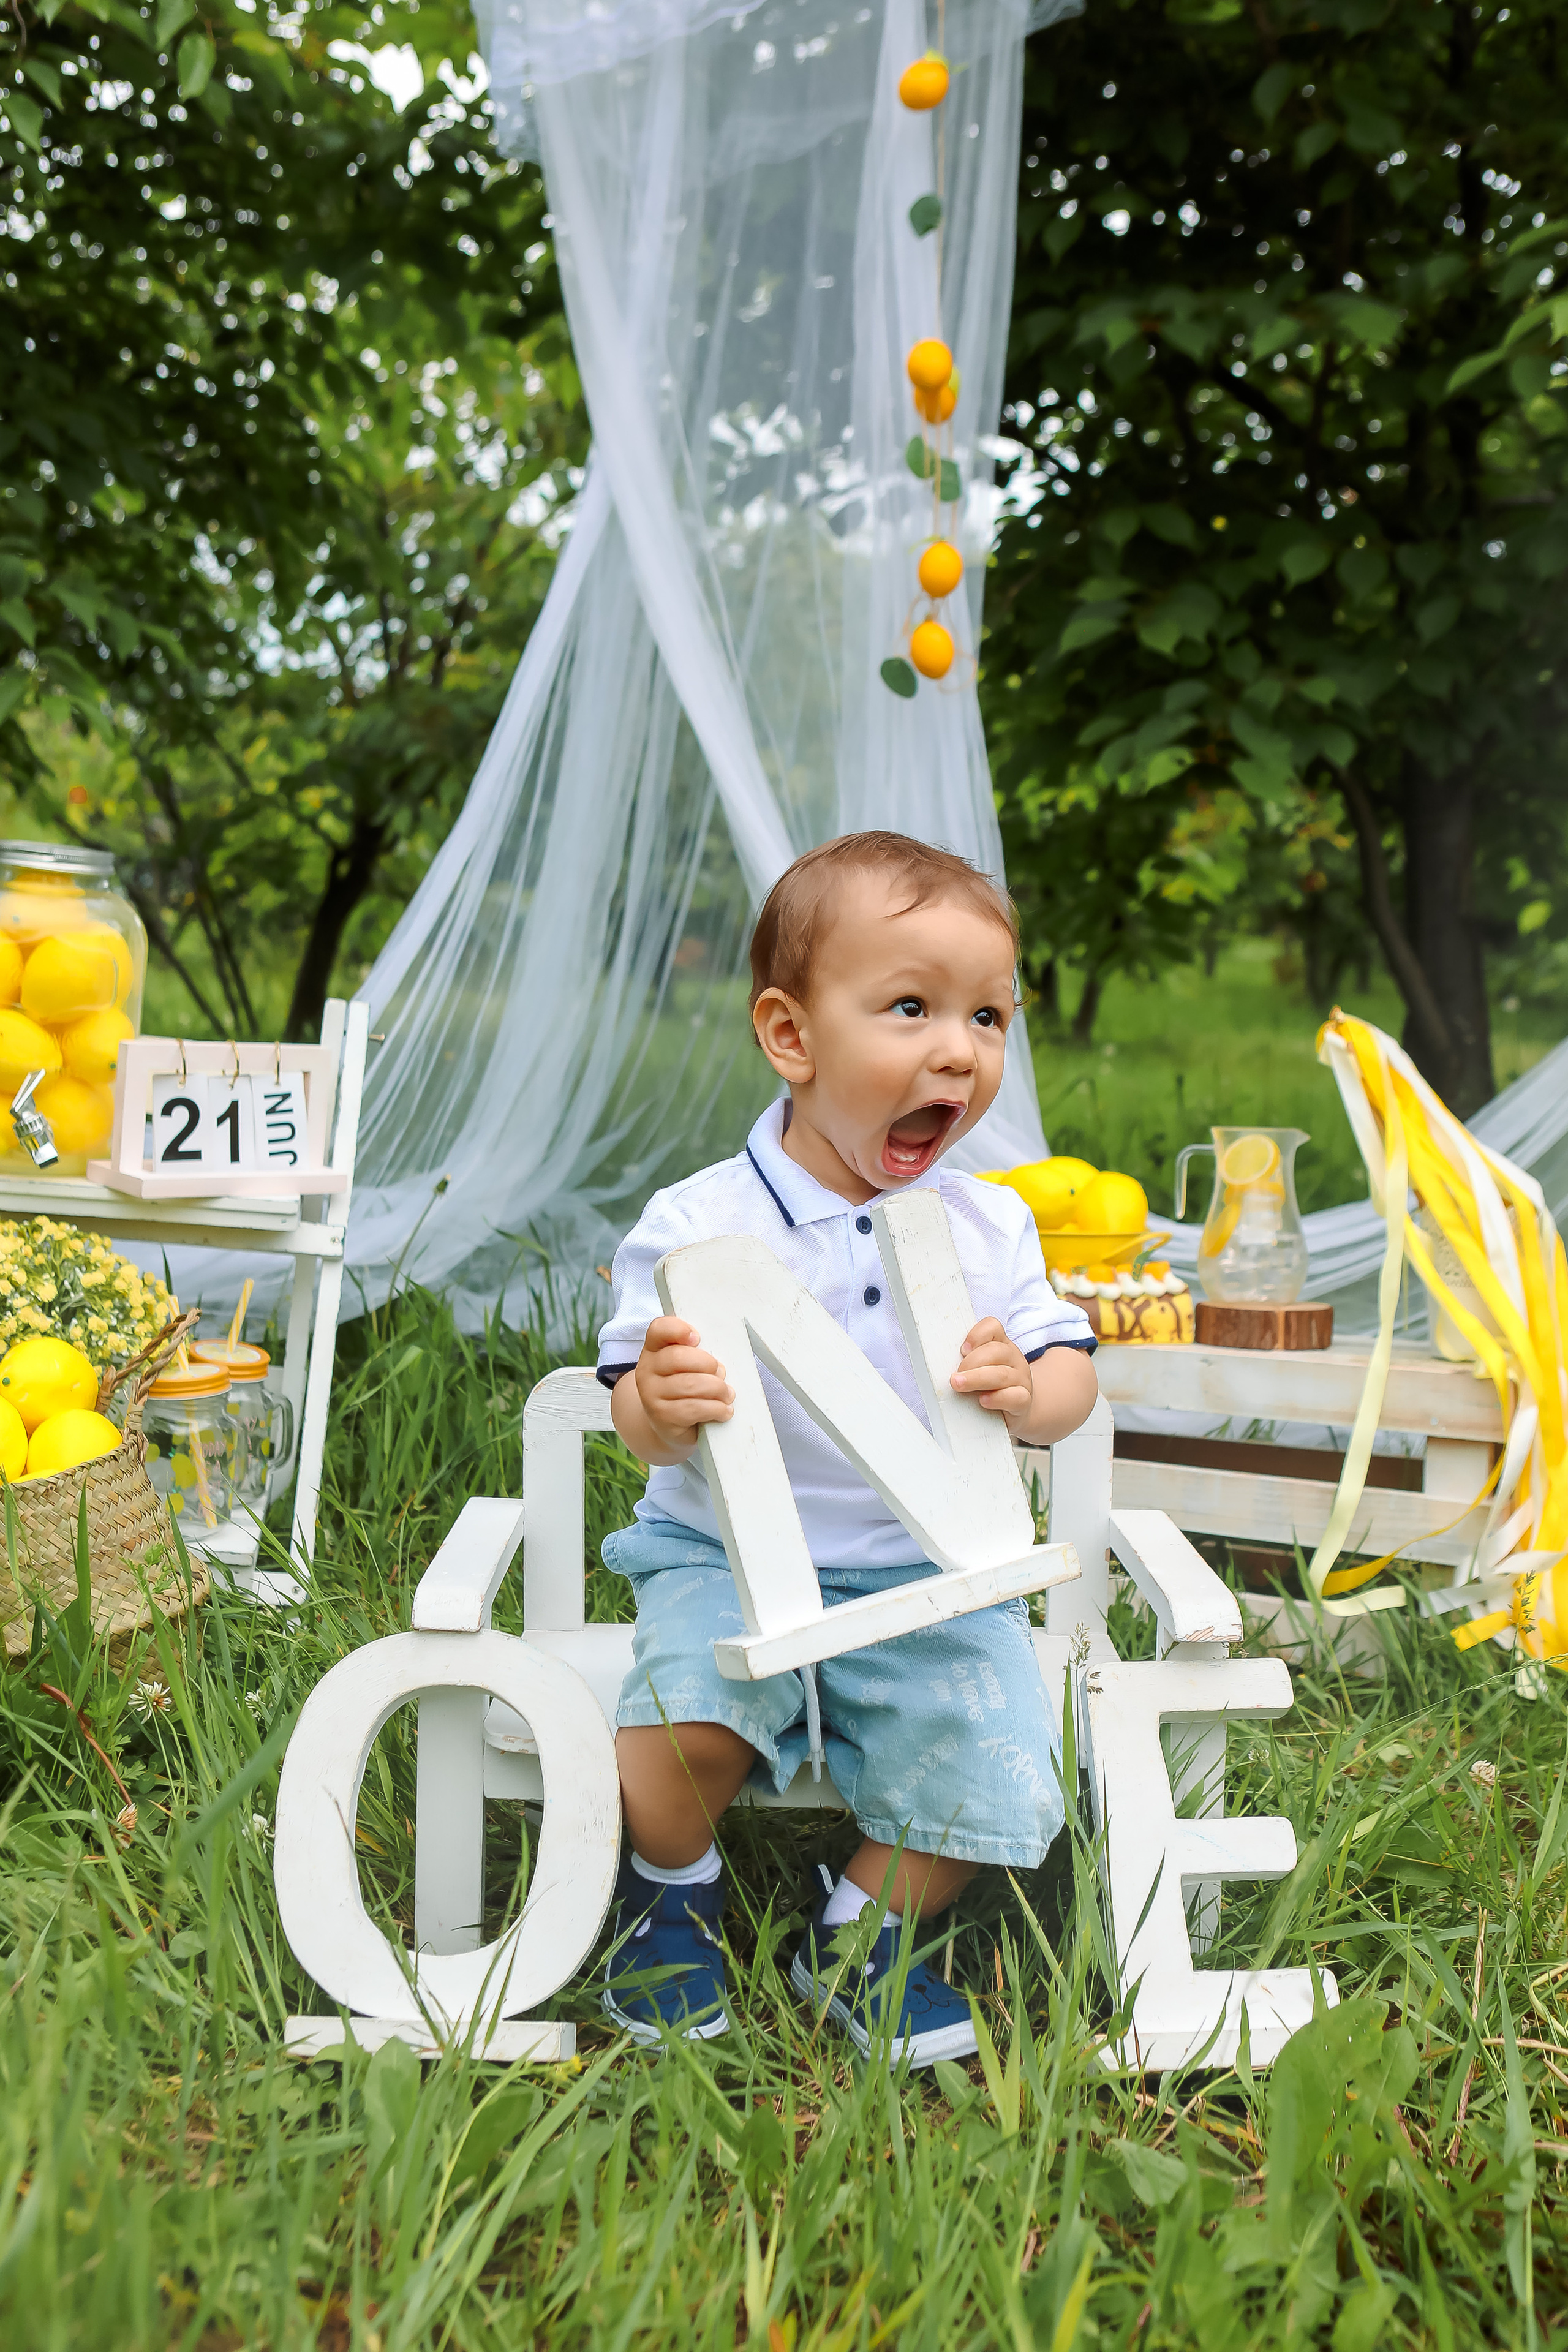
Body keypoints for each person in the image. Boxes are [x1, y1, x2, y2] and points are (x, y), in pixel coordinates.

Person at [595, 831, 1098, 2063]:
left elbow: (1072, 1371)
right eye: (912, 1008)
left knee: (990, 1755)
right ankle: (668, 1892)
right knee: (678, 1734)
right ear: (791, 1037)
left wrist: (1030, 1393)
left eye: (987, 1017)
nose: (957, 1050)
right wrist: (658, 1401)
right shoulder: (699, 1224)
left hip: (927, 1567)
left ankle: (863, 1936)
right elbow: (627, 1412)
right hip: (721, 1553)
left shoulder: (986, 1224)